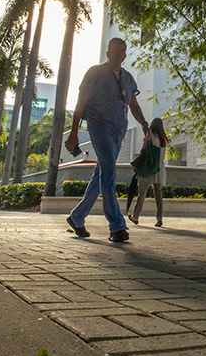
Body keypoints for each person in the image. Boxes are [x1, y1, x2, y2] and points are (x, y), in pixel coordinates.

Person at [65, 38, 150, 242]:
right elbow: (81, 102)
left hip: (118, 130)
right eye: (116, 49)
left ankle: (77, 217)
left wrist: (144, 123)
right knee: (109, 171)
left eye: (123, 50)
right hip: (99, 126)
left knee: (101, 174)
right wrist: (74, 132)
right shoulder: (94, 73)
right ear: (107, 53)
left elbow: (133, 104)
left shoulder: (128, 78)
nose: (120, 53)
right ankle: (117, 225)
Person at [128, 118, 168, 227]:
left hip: (148, 169)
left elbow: (143, 150)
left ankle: (136, 217)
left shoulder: (150, 136)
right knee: (158, 195)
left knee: (142, 194)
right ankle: (159, 219)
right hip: (159, 169)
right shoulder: (163, 140)